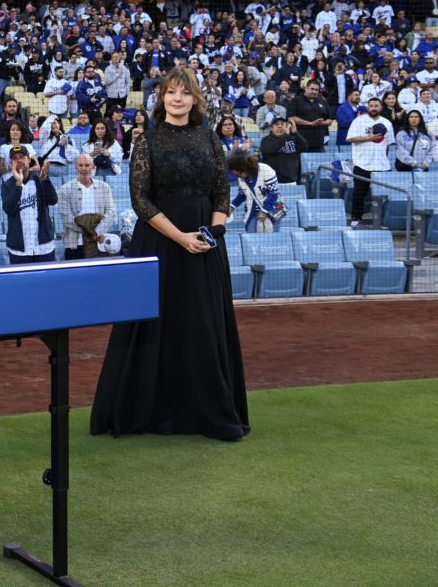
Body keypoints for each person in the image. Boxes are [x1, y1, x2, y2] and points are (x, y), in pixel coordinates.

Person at [90, 66, 249, 441]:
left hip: (206, 244)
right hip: (160, 242)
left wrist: (212, 232)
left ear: (195, 99)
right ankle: (149, 412)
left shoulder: (210, 137)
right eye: (171, 92)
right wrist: (181, 237)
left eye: (185, 92)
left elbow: (221, 192)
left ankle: (207, 413)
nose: (178, 98)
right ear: (161, 98)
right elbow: (141, 200)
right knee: (154, 325)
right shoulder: (146, 141)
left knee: (203, 324)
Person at [2, 144, 58, 263]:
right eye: (15, 158)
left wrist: (45, 179)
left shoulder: (39, 180)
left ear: (29, 160)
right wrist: (18, 185)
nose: (19, 161)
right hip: (19, 249)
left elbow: (53, 200)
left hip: (44, 247)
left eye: (22, 157)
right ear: (11, 163)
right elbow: (9, 209)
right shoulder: (7, 185)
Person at [347, 97, 395, 227]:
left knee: (385, 196)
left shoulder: (387, 123)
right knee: (359, 194)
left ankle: (384, 221)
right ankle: (356, 219)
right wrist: (368, 138)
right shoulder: (358, 121)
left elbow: (388, 144)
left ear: (381, 107)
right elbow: (350, 139)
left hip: (382, 165)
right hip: (362, 164)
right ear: (368, 107)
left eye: (376, 105)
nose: (374, 108)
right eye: (371, 105)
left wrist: (383, 158)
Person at [58, 152, 117, 260]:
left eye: (87, 165)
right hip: (74, 245)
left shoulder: (104, 187)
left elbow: (111, 212)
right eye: (80, 165)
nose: (84, 168)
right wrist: (91, 233)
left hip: (99, 243)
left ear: (93, 167)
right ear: (76, 167)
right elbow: (66, 218)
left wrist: (97, 232)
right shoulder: (64, 189)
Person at [228, 153, 284, 232]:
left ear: (245, 169)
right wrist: (231, 206)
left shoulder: (266, 170)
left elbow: (274, 194)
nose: (238, 177)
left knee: (272, 236)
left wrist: (264, 211)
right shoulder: (241, 178)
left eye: (239, 174)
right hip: (252, 210)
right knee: (251, 234)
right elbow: (242, 194)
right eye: (236, 176)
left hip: (272, 209)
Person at [285, 81, 332, 152]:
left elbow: (330, 120)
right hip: (300, 144)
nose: (314, 91)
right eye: (312, 89)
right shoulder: (296, 100)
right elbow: (291, 118)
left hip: (319, 144)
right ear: (306, 88)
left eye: (316, 90)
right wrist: (310, 123)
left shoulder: (322, 101)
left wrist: (322, 123)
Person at [259, 116, 307, 184]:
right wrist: (285, 136)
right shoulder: (266, 140)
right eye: (277, 125)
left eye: (282, 124)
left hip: (291, 181)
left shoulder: (292, 138)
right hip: (273, 181)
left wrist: (295, 133)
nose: (280, 127)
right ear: (271, 128)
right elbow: (273, 149)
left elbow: (304, 147)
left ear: (286, 127)